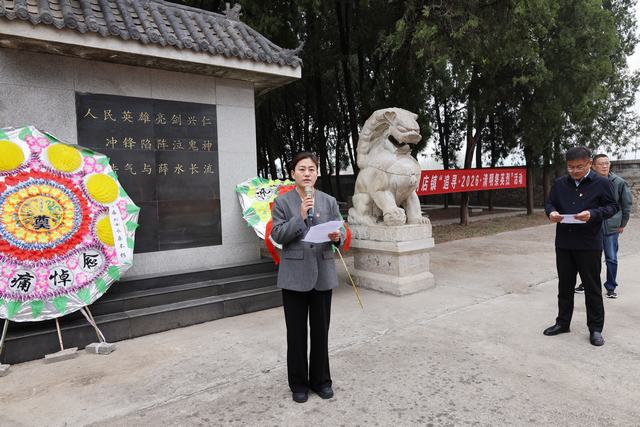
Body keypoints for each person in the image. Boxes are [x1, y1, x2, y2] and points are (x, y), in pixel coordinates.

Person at [270, 152, 345, 403]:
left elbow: (341, 230)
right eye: (301, 169)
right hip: (294, 276)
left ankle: (321, 381)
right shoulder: (282, 202)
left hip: (323, 274)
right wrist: (300, 216)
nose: (307, 173)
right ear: (293, 174)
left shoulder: (329, 201)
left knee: (321, 332)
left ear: (317, 173)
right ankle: (299, 384)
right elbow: (278, 235)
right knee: (296, 334)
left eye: (311, 169)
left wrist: (338, 237)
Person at [544, 146, 618, 347]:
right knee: (565, 286)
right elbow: (550, 204)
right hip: (564, 243)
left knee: (592, 287)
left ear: (589, 163)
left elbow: (612, 207)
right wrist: (551, 213)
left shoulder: (602, 183)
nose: (574, 171)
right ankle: (562, 323)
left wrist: (592, 214)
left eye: (579, 167)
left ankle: (595, 329)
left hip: (589, 243)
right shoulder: (560, 183)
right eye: (570, 167)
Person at [574, 154, 632, 298]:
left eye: (607, 163)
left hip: (611, 228)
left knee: (611, 258)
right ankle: (587, 283)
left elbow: (626, 205)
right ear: (593, 166)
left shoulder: (619, 182)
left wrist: (622, 224)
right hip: (592, 227)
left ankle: (611, 287)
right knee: (590, 258)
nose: (605, 166)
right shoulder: (587, 182)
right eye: (601, 164)